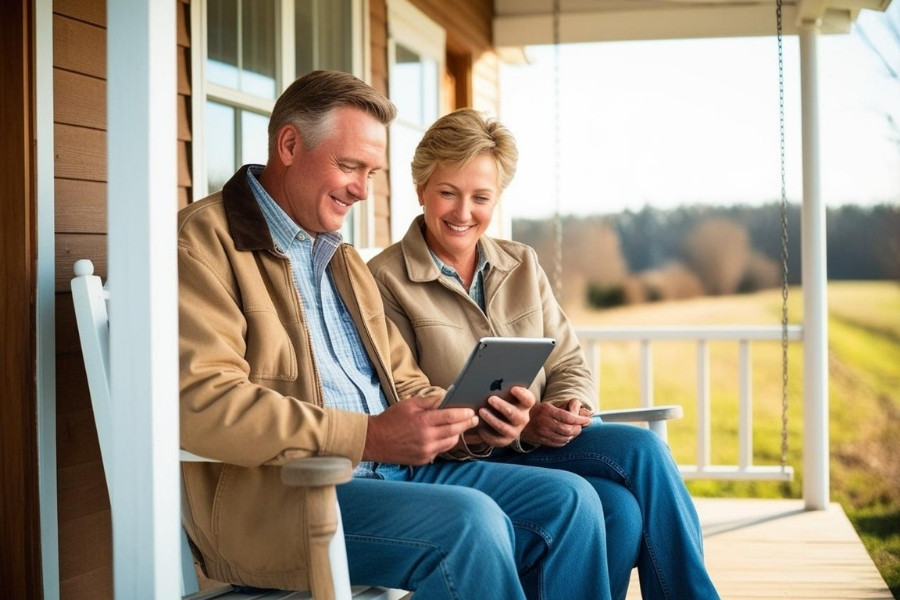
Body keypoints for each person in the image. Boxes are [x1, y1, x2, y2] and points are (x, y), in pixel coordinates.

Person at [177, 70, 615, 599]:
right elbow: (201, 402)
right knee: (470, 523)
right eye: (349, 166)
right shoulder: (203, 243)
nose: (362, 190)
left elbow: (405, 383)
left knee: (571, 503)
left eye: (372, 172)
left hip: (401, 476)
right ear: (289, 144)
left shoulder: (339, 256)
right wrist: (367, 436)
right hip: (292, 497)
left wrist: (475, 424)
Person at [367, 107, 721, 600]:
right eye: (448, 192)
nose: (463, 212)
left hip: (538, 450)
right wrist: (515, 422)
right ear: (421, 187)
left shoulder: (521, 263)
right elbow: (409, 394)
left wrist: (570, 406)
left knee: (642, 458)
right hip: (458, 463)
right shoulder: (383, 281)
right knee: (619, 506)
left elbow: (568, 361)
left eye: (481, 197)